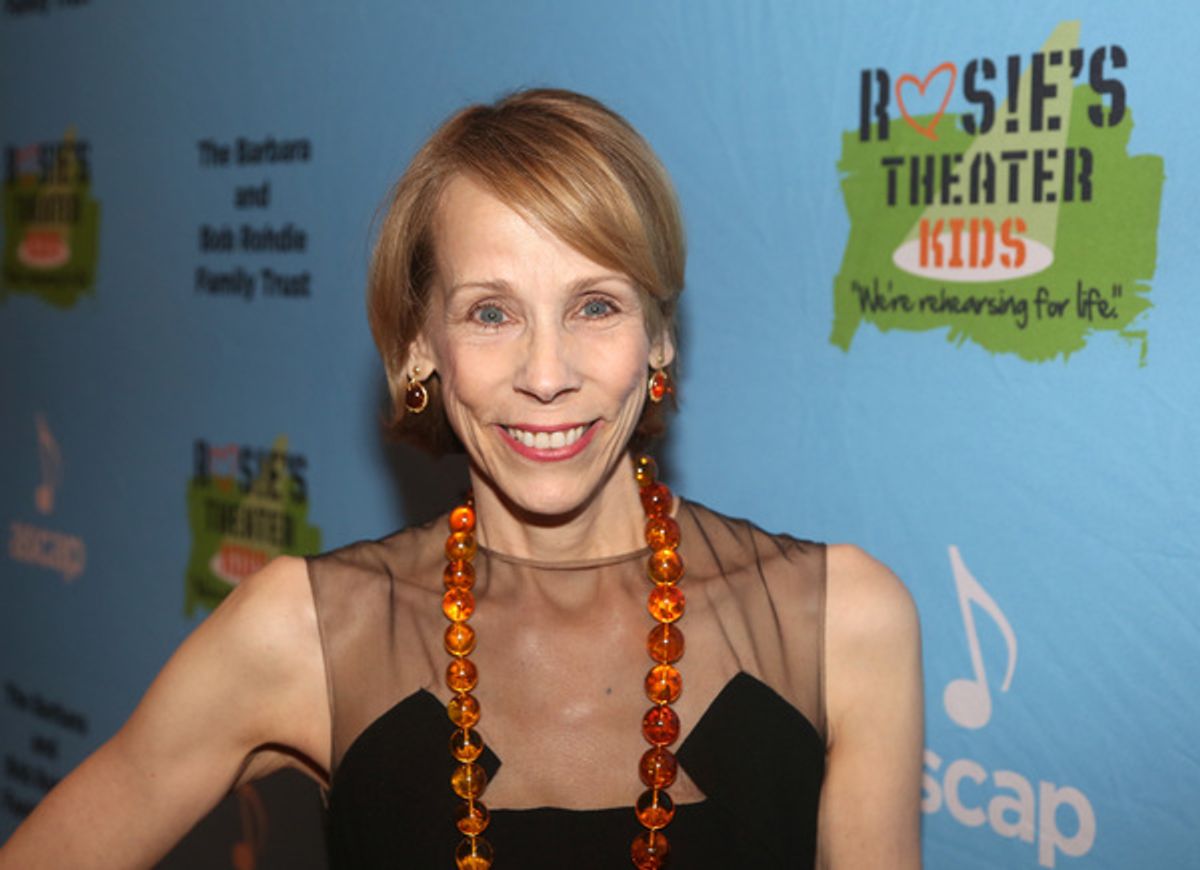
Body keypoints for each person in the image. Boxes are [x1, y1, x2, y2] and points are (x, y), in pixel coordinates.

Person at [0, 89, 922, 869]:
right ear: (418, 349)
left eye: (596, 305)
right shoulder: (306, 632)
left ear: (660, 339)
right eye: (490, 313)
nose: (548, 371)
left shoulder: (843, 624)